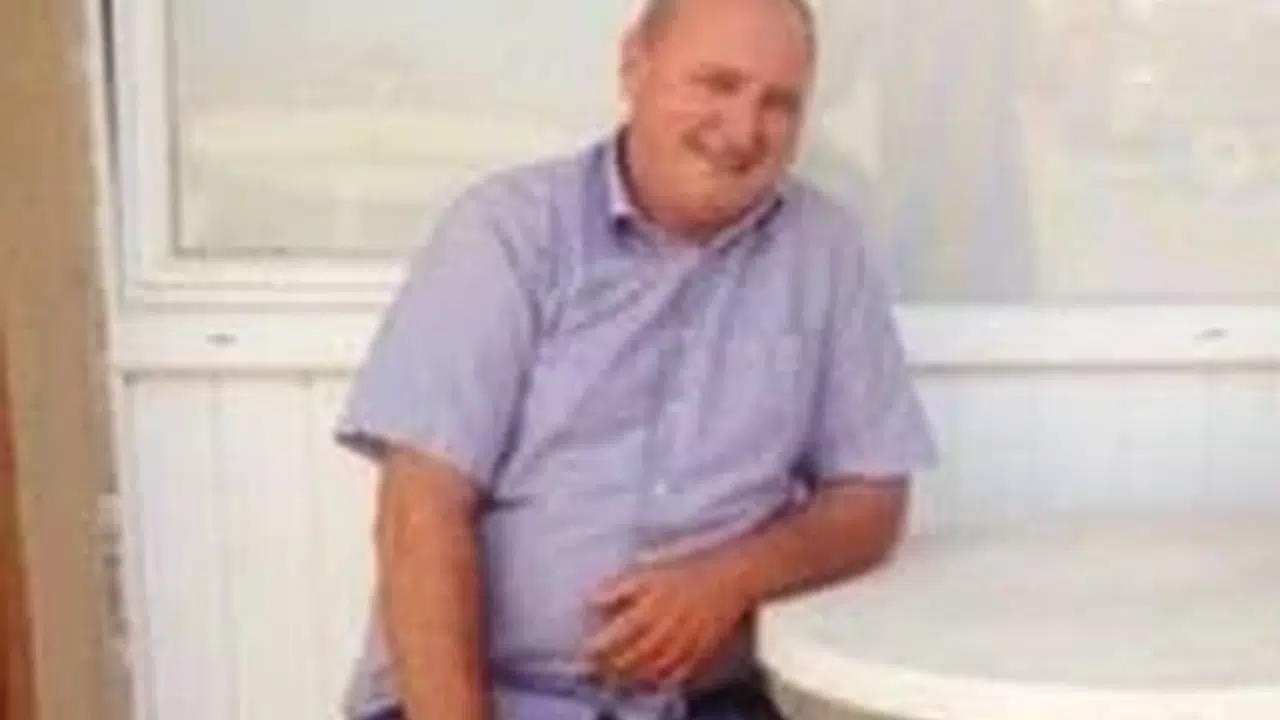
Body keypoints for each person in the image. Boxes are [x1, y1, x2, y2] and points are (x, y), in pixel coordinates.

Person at [334, 0, 937, 717]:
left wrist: (729, 579)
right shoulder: (509, 232)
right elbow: (421, 510)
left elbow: (871, 498)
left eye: (778, 104)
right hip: (483, 696)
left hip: (700, 701)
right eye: (716, 84)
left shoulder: (823, 251)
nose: (743, 131)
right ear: (634, 66)